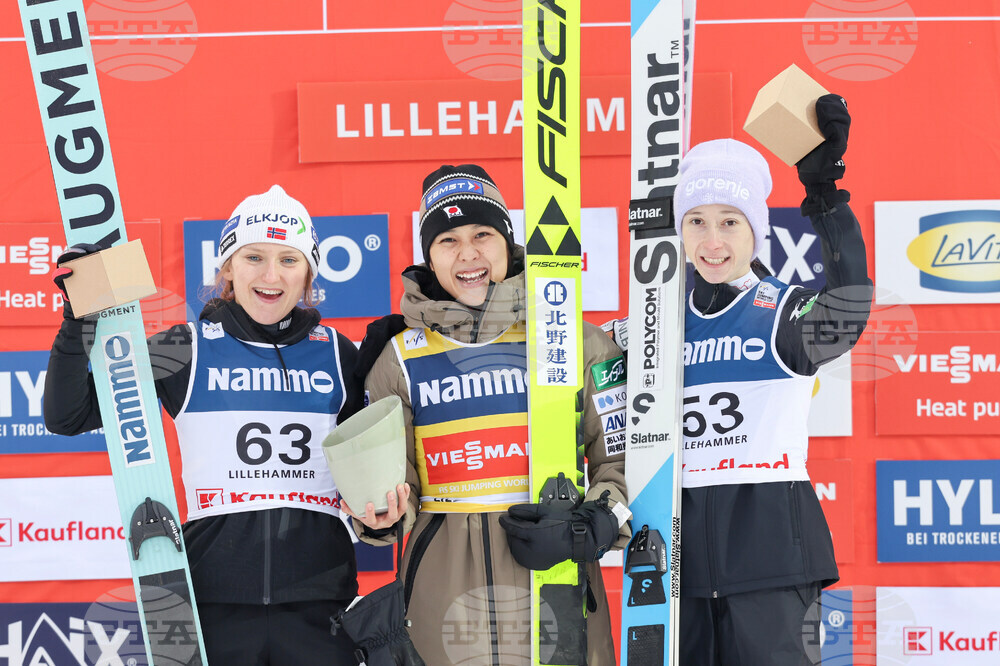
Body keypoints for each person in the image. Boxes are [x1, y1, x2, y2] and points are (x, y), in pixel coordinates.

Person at [44, 185, 365, 664]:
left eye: (289, 260)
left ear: (309, 274)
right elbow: (67, 416)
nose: (271, 275)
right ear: (227, 269)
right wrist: (78, 320)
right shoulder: (185, 348)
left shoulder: (339, 353)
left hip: (320, 605)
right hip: (213, 602)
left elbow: (376, 474)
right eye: (253, 257)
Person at [344, 164, 630, 665]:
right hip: (441, 589)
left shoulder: (575, 341)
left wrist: (597, 522)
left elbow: (622, 460)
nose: (468, 253)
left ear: (508, 242)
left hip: (553, 578)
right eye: (447, 241)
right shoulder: (399, 357)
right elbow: (391, 494)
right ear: (429, 258)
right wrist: (381, 515)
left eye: (482, 234)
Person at [639, 95, 871, 665]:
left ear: (756, 231)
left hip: (774, 565)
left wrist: (824, 198)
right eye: (696, 221)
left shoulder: (785, 315)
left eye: (729, 222)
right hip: (678, 571)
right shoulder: (654, 325)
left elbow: (849, 305)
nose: (711, 240)